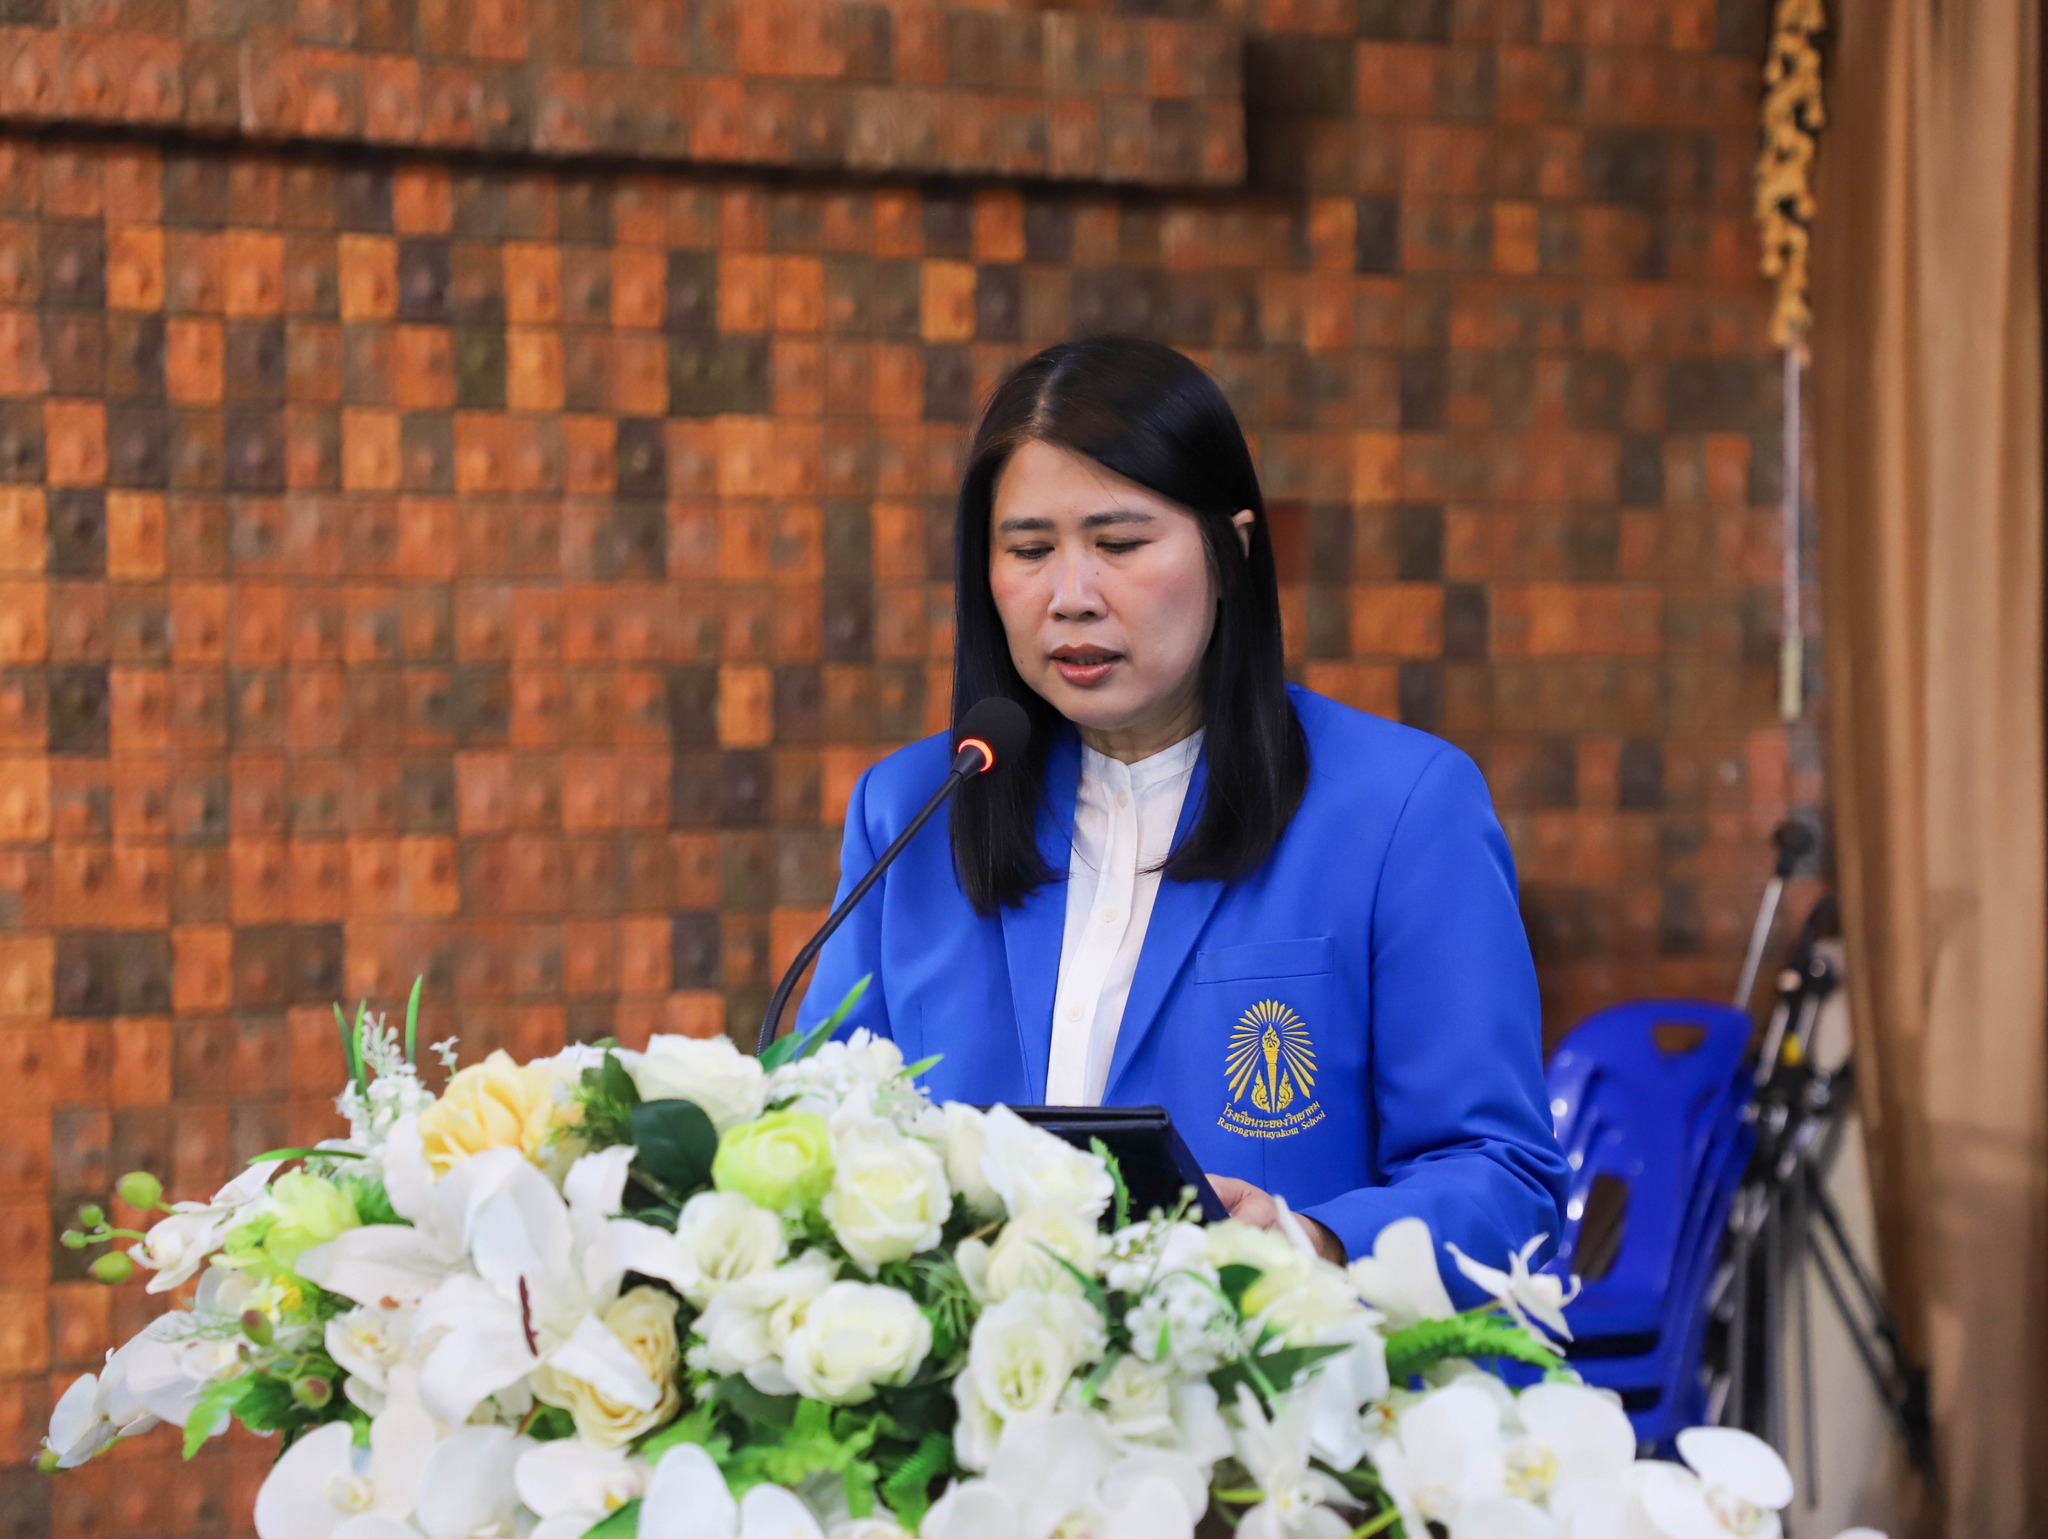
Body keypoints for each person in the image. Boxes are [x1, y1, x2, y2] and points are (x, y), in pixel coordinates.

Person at [793, 335, 1568, 1275]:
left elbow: (1503, 1178)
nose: (1071, 596)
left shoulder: (1400, 809)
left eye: (1119, 545)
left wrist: (1311, 1243)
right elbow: (816, 1135)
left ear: (1230, 549)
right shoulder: (913, 810)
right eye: (1029, 550)